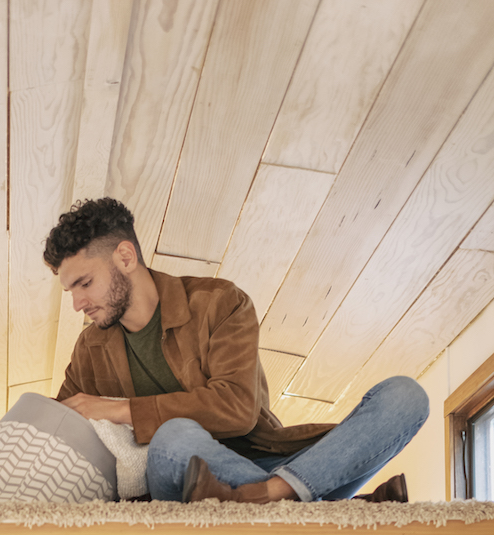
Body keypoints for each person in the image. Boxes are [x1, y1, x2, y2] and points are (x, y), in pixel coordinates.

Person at [43, 197, 429, 504]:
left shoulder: (219, 302)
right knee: (174, 438)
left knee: (405, 397)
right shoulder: (90, 349)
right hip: (183, 472)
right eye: (70, 291)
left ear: (125, 257)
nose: (78, 303)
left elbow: (238, 409)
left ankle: (264, 495)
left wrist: (119, 410)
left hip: (272, 458)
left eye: (85, 283)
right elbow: (55, 439)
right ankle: (309, 501)